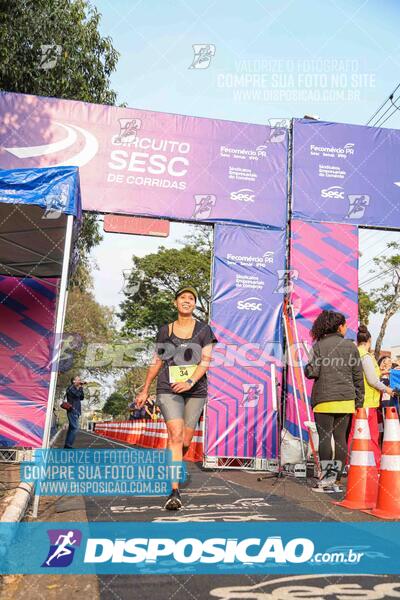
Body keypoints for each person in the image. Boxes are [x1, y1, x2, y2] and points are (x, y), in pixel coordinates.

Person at [136, 285, 217, 510]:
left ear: (194, 304)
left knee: (185, 442)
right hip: (168, 388)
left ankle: (173, 460)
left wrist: (190, 381)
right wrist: (145, 389)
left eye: (191, 298)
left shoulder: (204, 330)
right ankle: (174, 492)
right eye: (183, 297)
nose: (187, 300)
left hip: (196, 389)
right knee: (176, 434)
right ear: (175, 303)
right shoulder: (165, 331)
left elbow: (206, 361)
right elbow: (157, 361)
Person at [304, 310, 364, 492]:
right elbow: (357, 376)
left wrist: (307, 367)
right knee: (340, 441)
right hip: (346, 400)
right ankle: (336, 481)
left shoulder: (318, 346)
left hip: (324, 399)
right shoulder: (351, 347)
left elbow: (312, 372)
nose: (346, 328)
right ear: (339, 327)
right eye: (345, 325)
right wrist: (359, 401)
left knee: (324, 438)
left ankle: (326, 480)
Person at [355, 326, 393, 465]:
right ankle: (375, 465)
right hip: (367, 402)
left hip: (360, 401)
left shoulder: (355, 354)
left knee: (357, 435)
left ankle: (352, 464)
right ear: (369, 340)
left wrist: (383, 374)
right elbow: (372, 380)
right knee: (371, 436)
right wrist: (387, 390)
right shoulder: (365, 356)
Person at [63, 376, 85, 449]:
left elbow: (81, 397)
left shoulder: (76, 388)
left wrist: (80, 388)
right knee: (75, 428)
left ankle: (67, 445)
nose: (80, 381)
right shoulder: (71, 388)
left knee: (71, 428)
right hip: (72, 410)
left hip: (77, 411)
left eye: (80, 379)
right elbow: (77, 395)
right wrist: (81, 387)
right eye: (78, 380)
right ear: (74, 381)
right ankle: (68, 445)